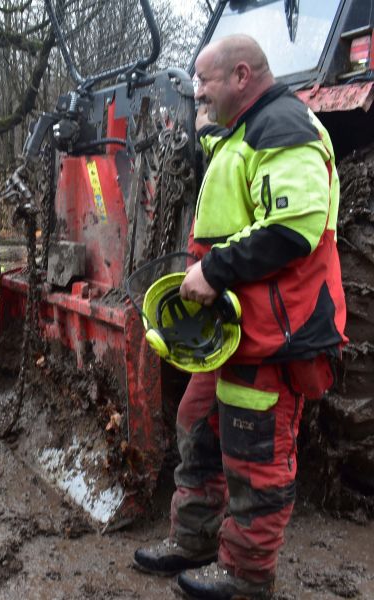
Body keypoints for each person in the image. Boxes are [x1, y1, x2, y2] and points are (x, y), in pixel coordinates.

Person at [132, 35, 346, 599]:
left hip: (278, 332)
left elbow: (292, 230)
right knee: (197, 427)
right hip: (234, 331)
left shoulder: (287, 129)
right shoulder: (242, 132)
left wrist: (216, 270)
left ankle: (247, 574)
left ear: (242, 76)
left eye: (205, 81)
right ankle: (196, 538)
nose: (196, 92)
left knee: (257, 456)